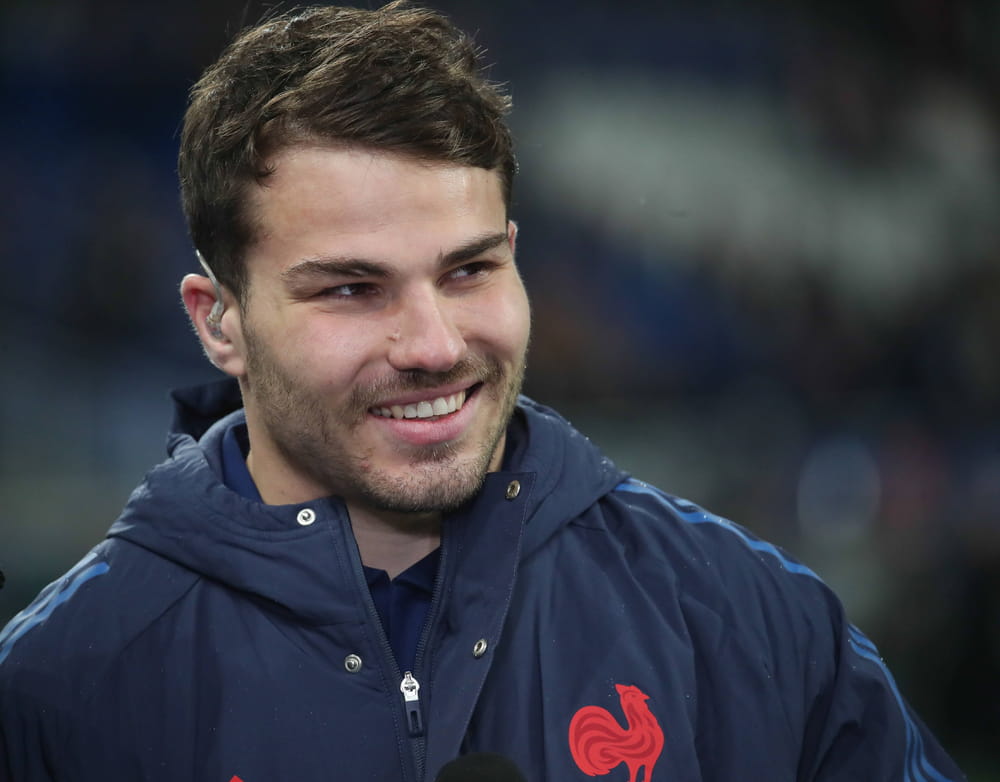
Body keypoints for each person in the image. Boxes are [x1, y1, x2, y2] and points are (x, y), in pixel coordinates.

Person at [0, 3, 965, 781]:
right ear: (220, 322)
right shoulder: (62, 685)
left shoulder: (751, 622)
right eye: (352, 289)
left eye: (468, 271)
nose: (434, 345)